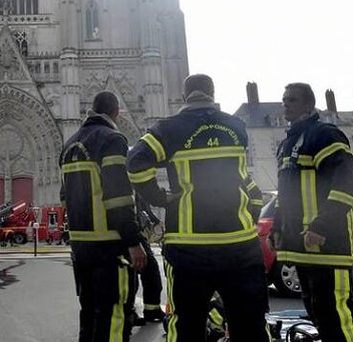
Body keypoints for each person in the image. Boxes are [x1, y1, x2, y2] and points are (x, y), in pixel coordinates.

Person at [126, 74, 269, 342]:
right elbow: (245, 184)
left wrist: (158, 197)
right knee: (250, 324)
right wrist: (247, 218)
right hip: (239, 245)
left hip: (190, 247)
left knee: (187, 326)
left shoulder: (170, 129)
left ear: (184, 96)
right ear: (212, 94)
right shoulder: (236, 126)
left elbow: (135, 162)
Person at [272, 82, 353, 342]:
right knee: (319, 315)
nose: (285, 104)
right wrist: (278, 227)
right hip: (302, 246)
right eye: (284, 99)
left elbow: (348, 182)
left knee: (338, 318)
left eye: (292, 100)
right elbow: (285, 193)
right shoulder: (288, 143)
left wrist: (321, 226)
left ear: (309, 105)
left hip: (326, 244)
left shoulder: (324, 135)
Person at [62, 90, 147, 342]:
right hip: (110, 245)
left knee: (88, 312)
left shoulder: (70, 144)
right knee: (115, 314)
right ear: (116, 112)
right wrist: (133, 241)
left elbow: (64, 196)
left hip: (80, 246)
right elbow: (118, 195)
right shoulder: (112, 139)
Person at [133, 193, 166, 325]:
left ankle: (152, 309)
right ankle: (128, 312)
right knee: (131, 276)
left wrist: (155, 220)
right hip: (129, 234)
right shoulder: (120, 179)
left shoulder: (134, 188)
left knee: (151, 270)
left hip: (137, 232)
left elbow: (144, 207)